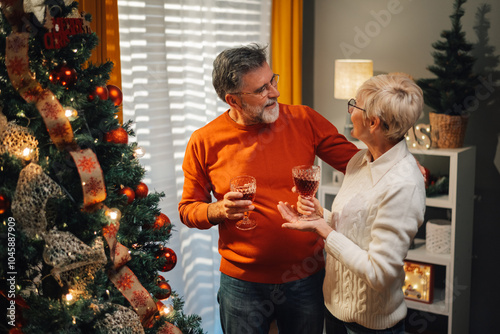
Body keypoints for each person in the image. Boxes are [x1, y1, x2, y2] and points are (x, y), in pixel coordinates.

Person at [178, 44, 359, 334]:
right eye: (261, 89)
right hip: (241, 285)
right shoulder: (204, 140)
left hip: (305, 276)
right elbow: (188, 209)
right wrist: (218, 209)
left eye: (272, 80)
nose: (274, 92)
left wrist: (404, 166)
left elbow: (358, 165)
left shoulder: (304, 120)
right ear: (233, 100)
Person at [278, 74, 426, 334]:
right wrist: (319, 216)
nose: (349, 112)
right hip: (335, 312)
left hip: (372, 326)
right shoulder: (359, 160)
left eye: (354, 105)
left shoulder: (404, 184)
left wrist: (324, 231)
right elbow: (353, 227)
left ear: (373, 122)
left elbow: (379, 274)